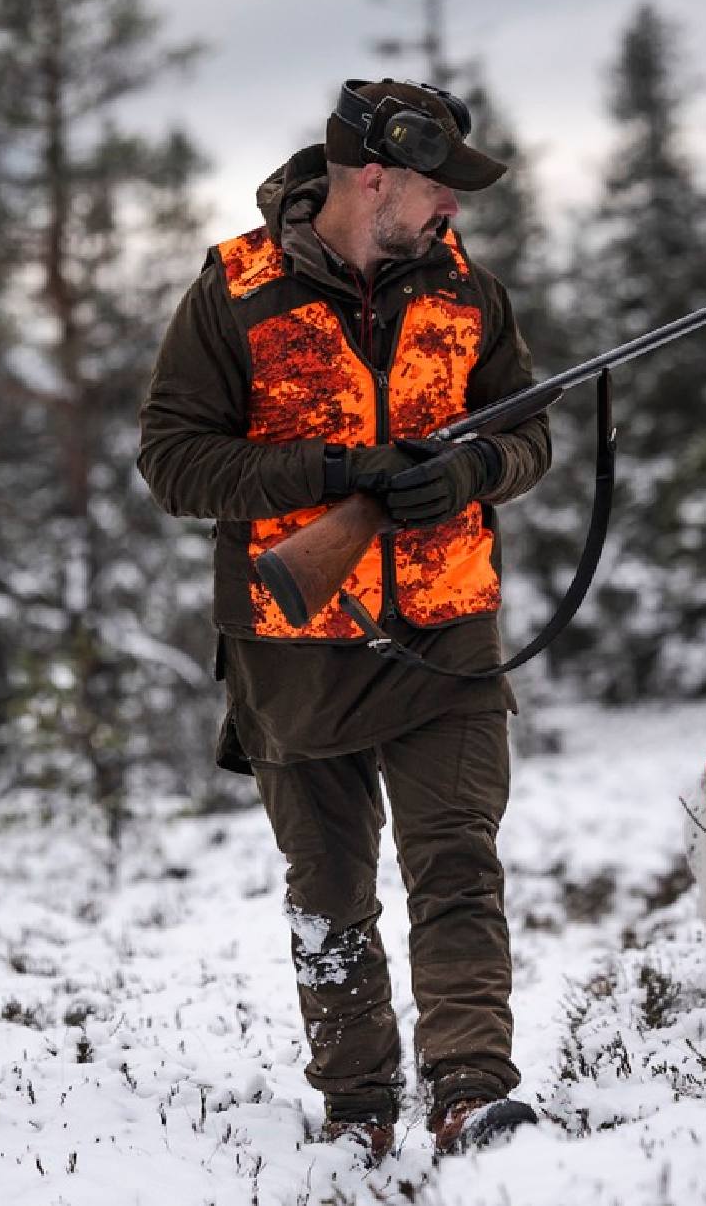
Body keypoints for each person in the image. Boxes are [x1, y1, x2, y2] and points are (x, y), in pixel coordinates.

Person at [137, 78, 551, 1164]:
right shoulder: (234, 292)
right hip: (291, 638)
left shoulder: (470, 294)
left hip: (446, 625)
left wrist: (469, 469)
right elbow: (173, 461)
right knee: (329, 890)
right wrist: (332, 470)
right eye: (438, 186)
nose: (452, 209)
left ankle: (470, 1091)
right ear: (374, 177)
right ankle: (359, 1105)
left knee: (458, 863)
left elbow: (531, 437)